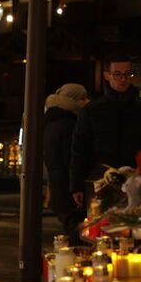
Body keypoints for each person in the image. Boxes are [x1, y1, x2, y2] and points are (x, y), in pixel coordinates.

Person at [70, 54, 141, 209]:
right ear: (107, 75)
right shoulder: (92, 110)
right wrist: (76, 185)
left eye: (128, 74)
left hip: (137, 182)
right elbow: (80, 150)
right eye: (117, 74)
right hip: (100, 181)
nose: (123, 79)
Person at [42, 83, 89, 242]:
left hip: (58, 187)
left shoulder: (50, 121)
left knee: (71, 228)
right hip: (69, 188)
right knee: (79, 233)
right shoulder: (70, 124)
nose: (87, 102)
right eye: (83, 98)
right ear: (74, 100)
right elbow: (72, 158)